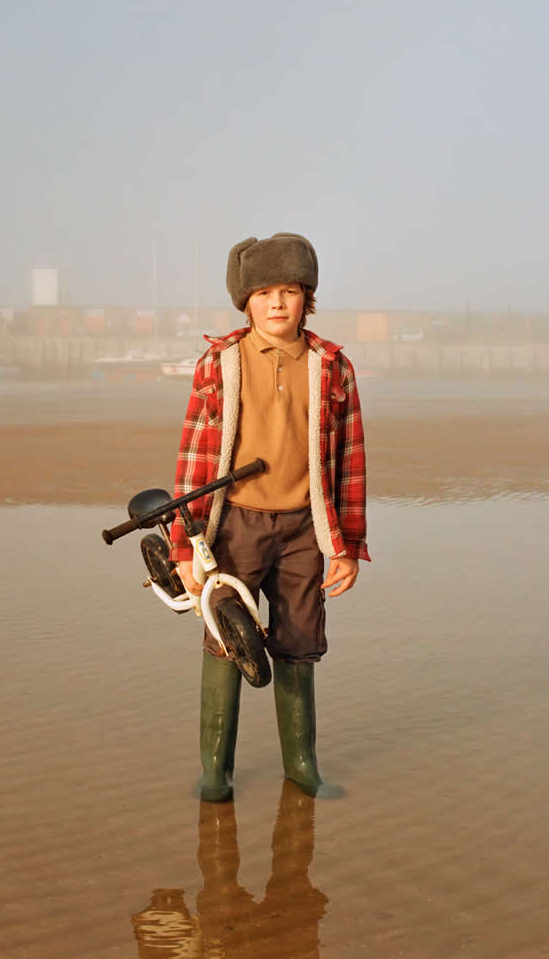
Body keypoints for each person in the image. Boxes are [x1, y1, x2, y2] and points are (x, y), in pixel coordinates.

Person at [169, 232, 369, 800]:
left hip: (306, 528)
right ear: (245, 301)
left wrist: (348, 545)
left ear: (308, 298)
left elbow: (350, 459)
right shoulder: (219, 361)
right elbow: (193, 459)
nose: (277, 303)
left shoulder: (333, 367)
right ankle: (216, 771)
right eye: (263, 293)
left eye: (289, 291)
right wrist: (186, 550)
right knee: (225, 636)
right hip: (233, 527)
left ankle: (302, 766)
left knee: (299, 642)